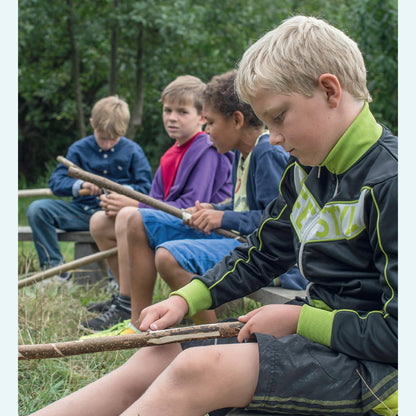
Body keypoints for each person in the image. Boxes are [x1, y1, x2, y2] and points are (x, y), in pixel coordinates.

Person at [31, 15, 398, 416]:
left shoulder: (393, 182)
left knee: (198, 368)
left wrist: (299, 320)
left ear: (330, 90)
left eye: (278, 117)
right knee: (165, 350)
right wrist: (185, 299)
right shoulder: (305, 173)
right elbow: (262, 253)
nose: (272, 137)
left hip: (379, 372)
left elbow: (400, 334)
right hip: (323, 342)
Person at [80, 69, 306, 336]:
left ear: (236, 121)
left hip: (269, 259)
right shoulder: (243, 154)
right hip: (243, 241)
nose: (207, 131)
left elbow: (277, 222)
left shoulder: (265, 152)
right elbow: (246, 207)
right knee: (148, 231)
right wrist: (217, 209)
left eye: (210, 122)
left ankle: (211, 334)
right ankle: (138, 319)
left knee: (168, 255)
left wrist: (223, 218)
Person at [80, 74, 234, 331]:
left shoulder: (207, 150)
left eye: (182, 111)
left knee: (131, 216)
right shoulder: (170, 154)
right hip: (174, 222)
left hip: (206, 231)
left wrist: (135, 204)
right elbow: (158, 201)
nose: (172, 117)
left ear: (202, 116)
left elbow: (190, 205)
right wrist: (133, 204)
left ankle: (133, 311)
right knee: (99, 222)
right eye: (167, 110)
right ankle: (123, 297)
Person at [26, 96, 153, 284]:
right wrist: (81, 185)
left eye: (113, 139)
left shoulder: (133, 151)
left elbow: (146, 188)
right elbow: (56, 182)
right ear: (92, 123)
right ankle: (55, 274)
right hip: (80, 213)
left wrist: (122, 192)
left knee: (127, 220)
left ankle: (117, 282)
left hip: (113, 217)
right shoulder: (79, 149)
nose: (107, 144)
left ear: (123, 130)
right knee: (37, 209)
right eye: (102, 138)